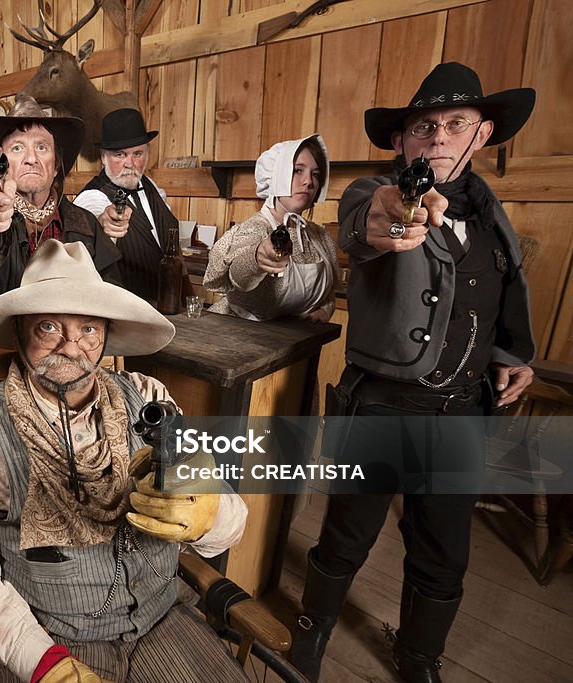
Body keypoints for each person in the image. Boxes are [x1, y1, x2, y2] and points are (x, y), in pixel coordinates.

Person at [288, 62, 537, 683]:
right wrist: (391, 219)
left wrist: (514, 355)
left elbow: (500, 287)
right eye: (425, 126)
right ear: (402, 140)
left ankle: (417, 655)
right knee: (348, 535)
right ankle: (310, 634)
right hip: (384, 405)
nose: (440, 137)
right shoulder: (370, 193)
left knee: (445, 552)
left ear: (482, 135)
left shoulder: (488, 212)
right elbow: (367, 225)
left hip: (463, 409)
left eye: (457, 124)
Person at [0, 239, 251, 683]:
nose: (71, 347)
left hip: (164, 618)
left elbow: (230, 525)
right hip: (49, 637)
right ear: (19, 331)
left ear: (106, 335)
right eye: (48, 327)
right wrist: (41, 661)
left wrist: (209, 509)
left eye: (88, 329)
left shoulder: (151, 398)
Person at [0, 96, 121, 309]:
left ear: (56, 164)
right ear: (2, 162)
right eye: (17, 148)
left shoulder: (85, 223)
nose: (31, 158)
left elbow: (112, 295)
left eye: (41, 147)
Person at [203, 134, 340, 322]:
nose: (308, 181)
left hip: (293, 341)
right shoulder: (255, 228)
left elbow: (329, 292)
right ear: (276, 177)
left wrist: (325, 309)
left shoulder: (319, 237)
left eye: (315, 174)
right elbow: (239, 275)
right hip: (238, 337)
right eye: (297, 170)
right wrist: (257, 258)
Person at [74, 108, 180, 300]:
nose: (130, 163)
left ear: (147, 154)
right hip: (125, 312)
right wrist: (106, 221)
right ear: (103, 157)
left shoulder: (151, 187)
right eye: (120, 155)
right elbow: (99, 215)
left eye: (137, 154)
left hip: (169, 304)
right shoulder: (91, 197)